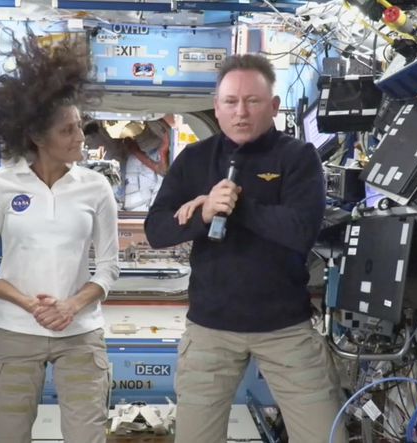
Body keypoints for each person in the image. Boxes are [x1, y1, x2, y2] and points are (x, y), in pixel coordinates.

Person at [144, 54, 346, 443]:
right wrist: (203, 213)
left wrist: (237, 205)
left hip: (285, 328)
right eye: (231, 102)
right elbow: (157, 230)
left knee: (327, 436)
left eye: (252, 101)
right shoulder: (194, 160)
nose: (241, 112)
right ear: (216, 109)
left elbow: (300, 231)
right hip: (210, 330)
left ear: (273, 107)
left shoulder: (298, 158)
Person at [0, 32, 119, 443]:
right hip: (16, 331)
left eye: (80, 127)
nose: (80, 137)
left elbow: (108, 268)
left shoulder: (95, 188)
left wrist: (71, 305)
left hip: (82, 334)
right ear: (37, 137)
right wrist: (28, 304)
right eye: (68, 130)